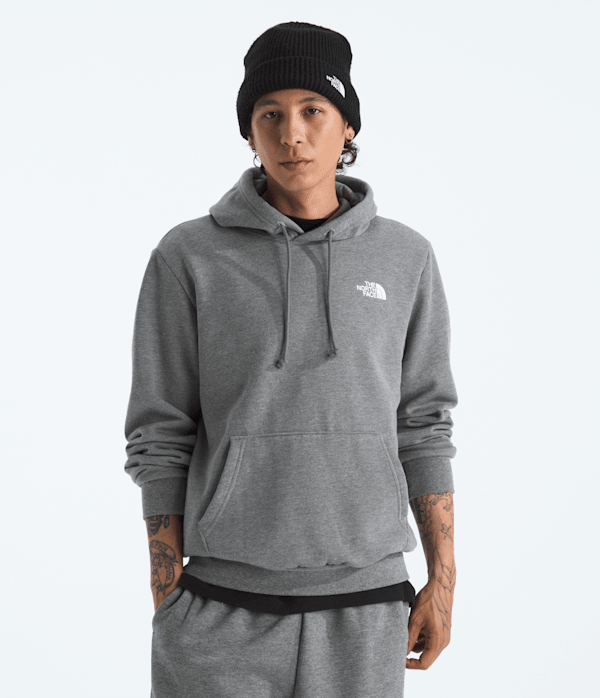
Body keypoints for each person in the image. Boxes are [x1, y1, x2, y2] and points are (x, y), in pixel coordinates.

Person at [124, 21, 458, 698]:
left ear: (347, 126)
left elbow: (423, 426)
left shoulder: (405, 257)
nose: (291, 134)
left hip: (367, 607)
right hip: (218, 605)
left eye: (313, 110)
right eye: (269, 115)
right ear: (249, 132)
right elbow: (160, 432)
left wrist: (443, 583)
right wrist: (167, 593)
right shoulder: (189, 257)